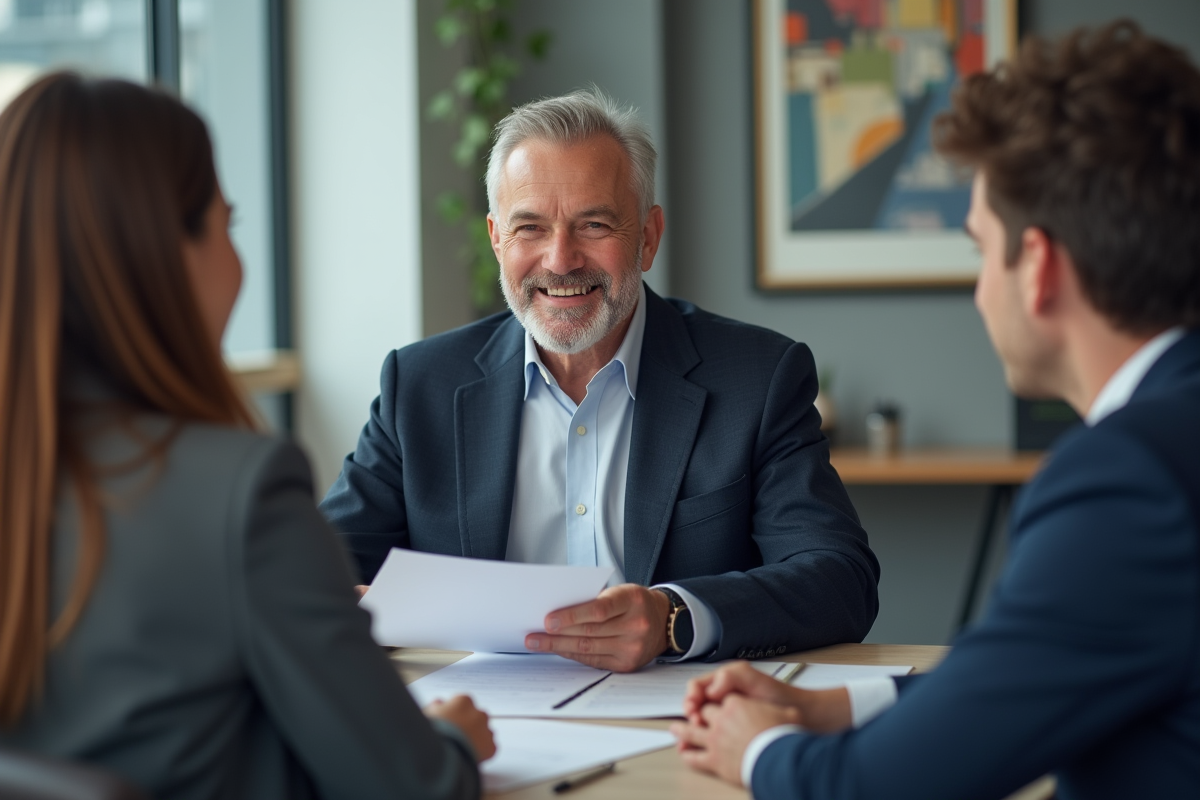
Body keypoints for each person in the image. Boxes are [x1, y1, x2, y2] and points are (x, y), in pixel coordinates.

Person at [671, 20, 1200, 800]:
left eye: (982, 250)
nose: (980, 288)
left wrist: (759, 750)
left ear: (1039, 269)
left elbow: (875, 788)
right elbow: (1028, 677)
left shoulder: (1129, 481)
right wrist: (827, 706)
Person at [0, 72, 493, 800]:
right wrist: (452, 737)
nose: (238, 263)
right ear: (165, 255)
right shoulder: (239, 490)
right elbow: (414, 788)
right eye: (225, 225)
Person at [320, 89, 880, 673]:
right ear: (495, 239)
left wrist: (672, 617)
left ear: (648, 237)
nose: (560, 260)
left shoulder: (757, 379)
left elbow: (840, 578)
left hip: (681, 727)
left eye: (593, 224)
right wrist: (342, 602)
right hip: (478, 727)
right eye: (529, 228)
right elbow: (309, 568)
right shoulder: (419, 386)